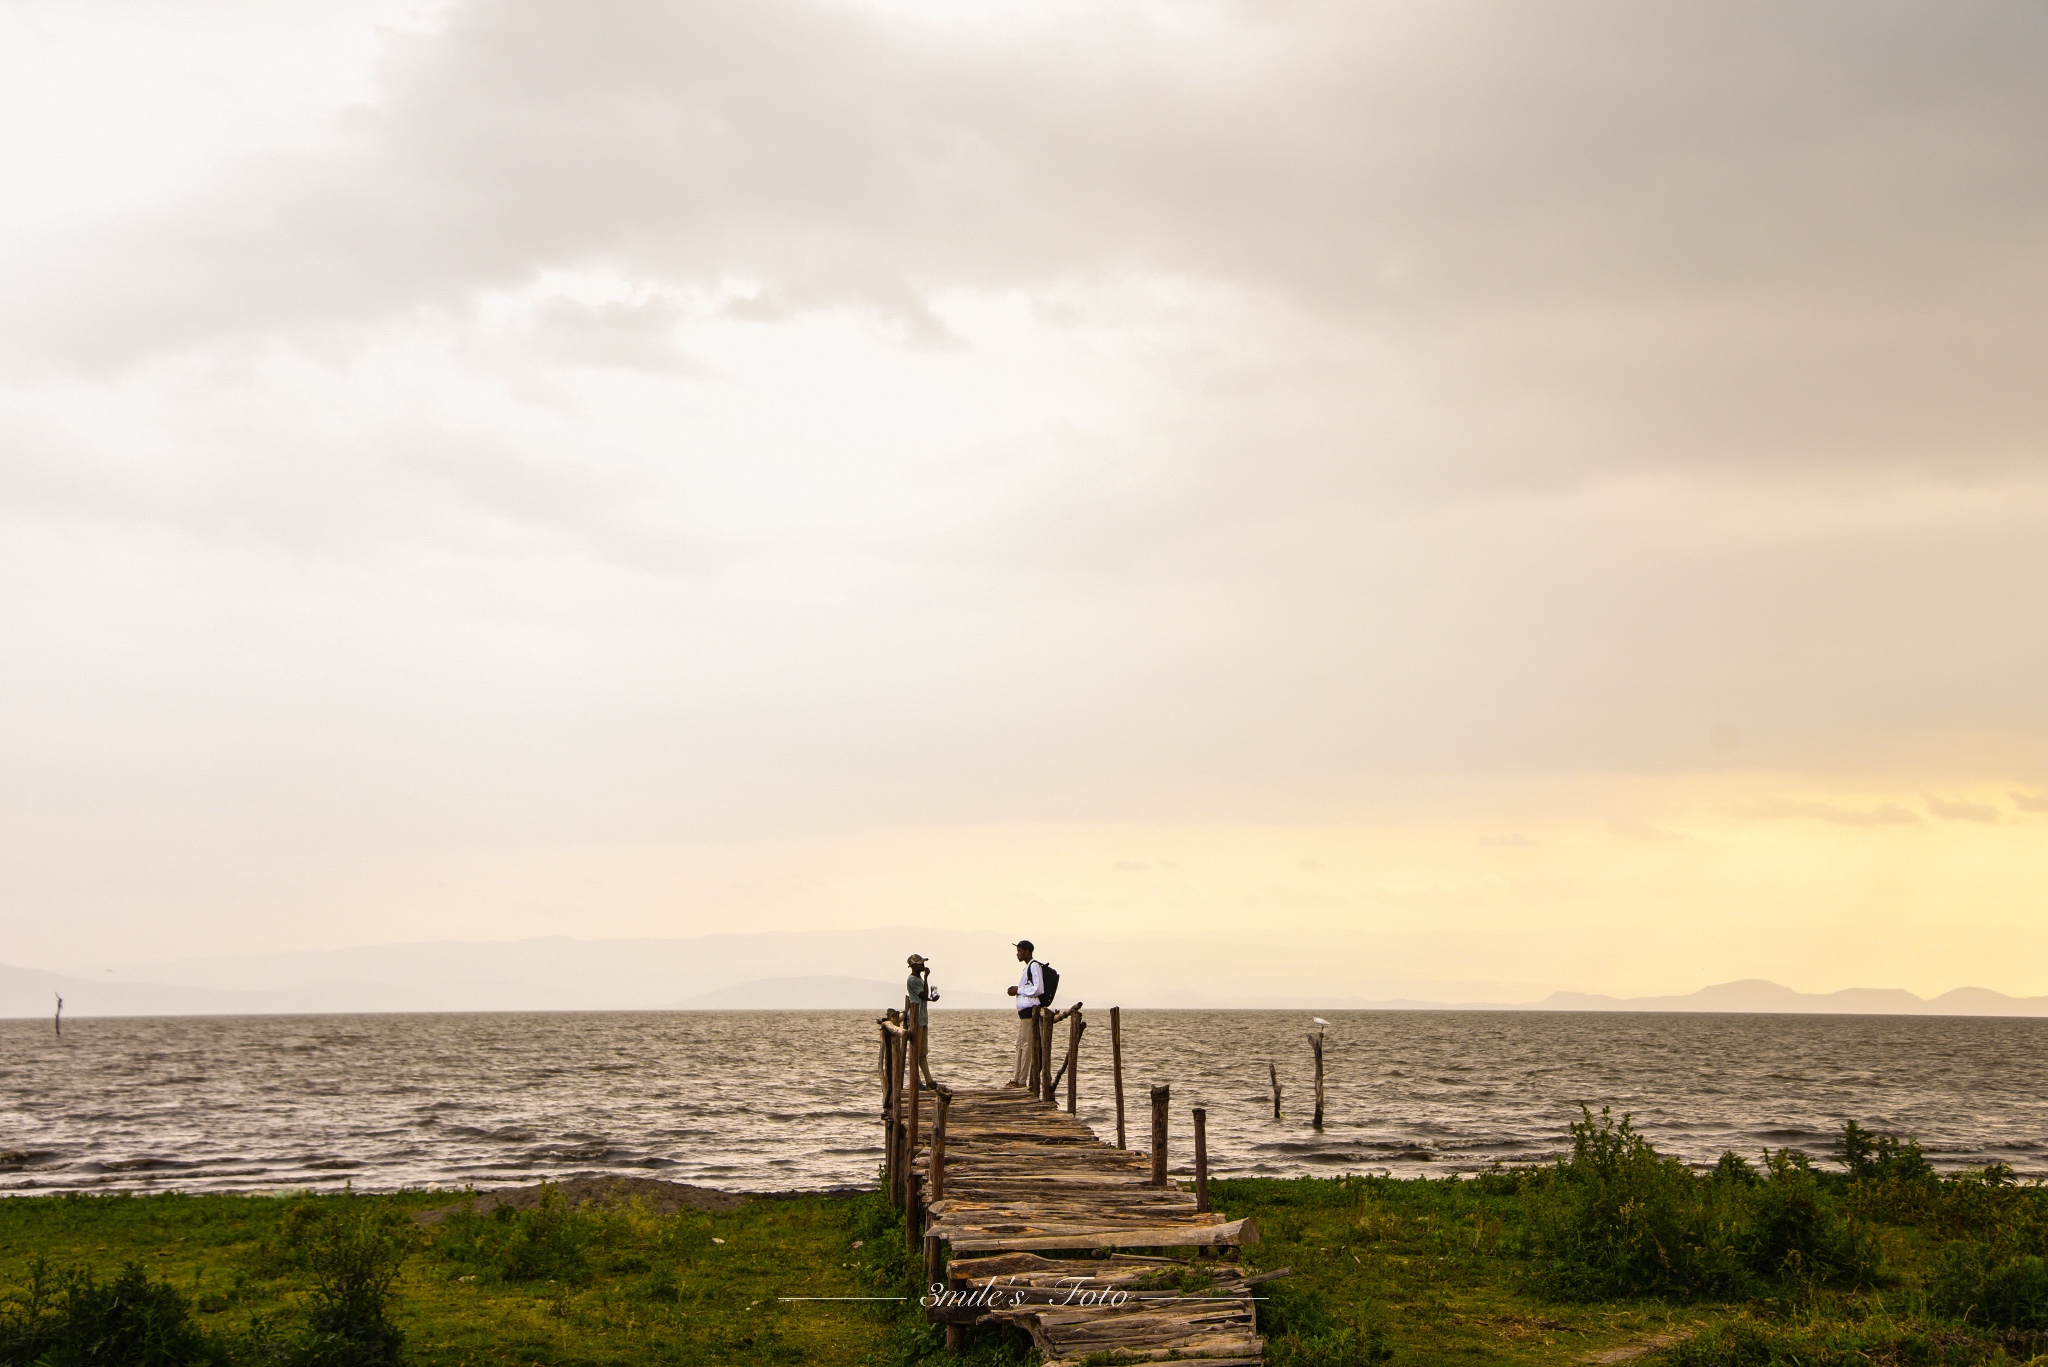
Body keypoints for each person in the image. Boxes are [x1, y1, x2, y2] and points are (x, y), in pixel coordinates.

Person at [1005, 940, 1044, 1088]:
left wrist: (1019, 990)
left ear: (1027, 951)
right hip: (1024, 1013)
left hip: (1029, 1012)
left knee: (1026, 1046)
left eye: (1020, 951)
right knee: (1020, 1045)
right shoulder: (1028, 968)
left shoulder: (1034, 966)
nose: (1018, 954)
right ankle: (1016, 1078)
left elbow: (1038, 989)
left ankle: (1021, 1080)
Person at [905, 953, 938, 1086]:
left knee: (922, 1053)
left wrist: (932, 998)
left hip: (923, 1018)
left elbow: (924, 996)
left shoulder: (918, 979)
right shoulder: (912, 980)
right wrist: (926, 977)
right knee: (916, 1052)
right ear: (913, 966)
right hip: (916, 1019)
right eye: (920, 963)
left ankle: (929, 1080)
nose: (923, 965)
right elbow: (923, 995)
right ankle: (917, 1081)